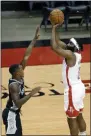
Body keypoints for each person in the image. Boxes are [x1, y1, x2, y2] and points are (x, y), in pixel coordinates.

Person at [2, 26, 41, 136]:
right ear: (16, 73)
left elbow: (26, 56)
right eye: (20, 69)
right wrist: (31, 94)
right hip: (11, 114)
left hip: (15, 113)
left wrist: (34, 39)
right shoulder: (14, 86)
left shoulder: (19, 77)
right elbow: (18, 103)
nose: (23, 69)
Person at [51, 24, 86, 136]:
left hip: (72, 90)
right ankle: (83, 134)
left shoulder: (70, 55)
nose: (68, 44)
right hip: (79, 87)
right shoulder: (74, 53)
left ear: (75, 47)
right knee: (79, 114)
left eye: (70, 43)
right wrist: (56, 28)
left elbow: (54, 47)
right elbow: (57, 41)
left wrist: (52, 29)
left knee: (71, 119)